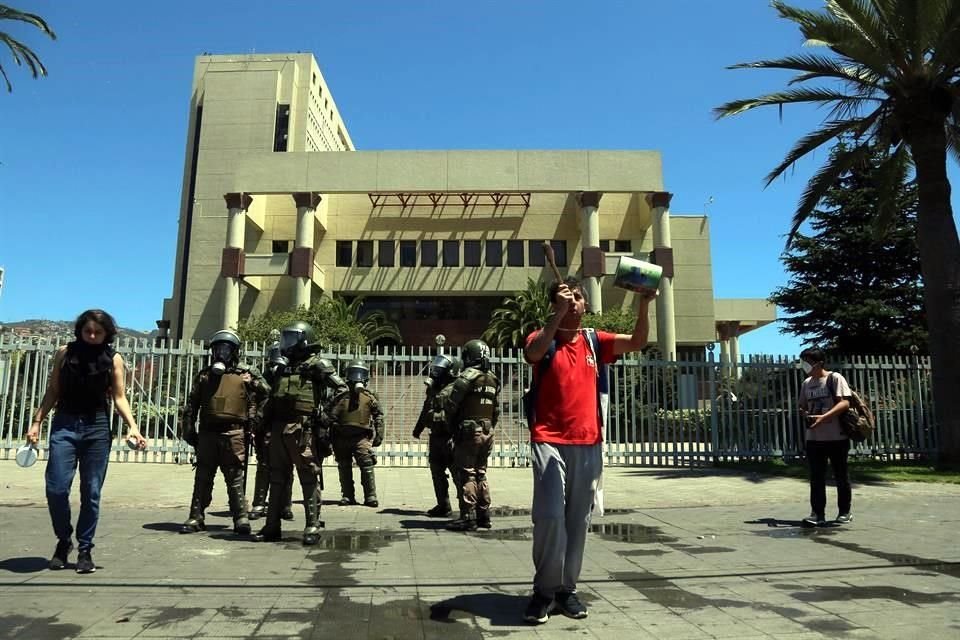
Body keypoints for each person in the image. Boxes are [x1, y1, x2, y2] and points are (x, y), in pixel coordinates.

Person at [522, 277, 654, 624]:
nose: (575, 302)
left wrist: (644, 303)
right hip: (549, 440)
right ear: (556, 305)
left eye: (579, 298)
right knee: (550, 516)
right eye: (568, 298)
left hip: (588, 442)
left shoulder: (596, 341)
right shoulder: (542, 337)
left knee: (577, 522)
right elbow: (532, 354)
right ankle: (544, 591)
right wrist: (557, 315)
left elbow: (639, 341)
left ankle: (566, 590)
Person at [26, 309, 147, 574]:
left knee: (91, 492)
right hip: (65, 424)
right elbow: (53, 390)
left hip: (97, 428)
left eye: (98, 332)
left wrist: (133, 427)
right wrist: (37, 422)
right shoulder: (64, 353)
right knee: (56, 488)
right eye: (87, 331)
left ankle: (85, 549)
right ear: (79, 331)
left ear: (107, 334)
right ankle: (63, 539)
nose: (92, 336)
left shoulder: (113, 359)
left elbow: (119, 397)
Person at [254, 322, 346, 545]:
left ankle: (312, 525)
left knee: (308, 477)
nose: (287, 343)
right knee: (277, 478)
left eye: (291, 338)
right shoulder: (281, 367)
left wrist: (326, 416)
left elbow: (342, 390)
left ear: (304, 340)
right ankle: (272, 526)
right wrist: (260, 420)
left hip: (302, 430)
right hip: (278, 429)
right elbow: (270, 395)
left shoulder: (317, 364)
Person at [179, 329, 270, 535]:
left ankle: (240, 518)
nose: (221, 353)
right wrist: (189, 430)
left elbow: (268, 394)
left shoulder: (246, 373)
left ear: (234, 352)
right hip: (208, 433)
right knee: (203, 476)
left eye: (226, 349)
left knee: (235, 477)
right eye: (217, 349)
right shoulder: (204, 375)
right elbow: (191, 406)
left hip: (235, 433)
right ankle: (196, 516)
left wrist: (255, 418)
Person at [440, 340, 501, 532]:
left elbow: (451, 405)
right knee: (481, 472)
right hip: (487, 431)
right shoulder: (493, 378)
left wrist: (452, 426)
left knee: (467, 473)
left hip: (468, 431)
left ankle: (468, 516)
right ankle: (484, 515)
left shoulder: (467, 377)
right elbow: (496, 410)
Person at [797, 347, 853, 527]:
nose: (804, 365)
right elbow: (802, 405)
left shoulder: (834, 378)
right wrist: (806, 414)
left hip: (836, 436)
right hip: (814, 438)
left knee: (840, 475)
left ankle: (844, 511)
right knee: (816, 477)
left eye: (807, 361)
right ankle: (817, 513)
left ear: (819, 362)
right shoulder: (806, 383)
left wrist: (825, 417)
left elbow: (844, 402)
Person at [249, 330, 294, 522]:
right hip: (266, 426)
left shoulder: (292, 375)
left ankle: (285, 505)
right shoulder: (262, 377)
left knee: (287, 467)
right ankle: (259, 503)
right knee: (264, 466)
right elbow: (254, 400)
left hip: (286, 425)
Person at [412, 353, 463, 517]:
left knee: (457, 473)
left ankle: (466, 506)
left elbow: (459, 413)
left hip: (451, 437)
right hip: (436, 437)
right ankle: (443, 505)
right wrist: (418, 428)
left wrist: (434, 417)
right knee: (437, 471)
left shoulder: (458, 388)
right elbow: (426, 408)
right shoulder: (434, 389)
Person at [330, 359, 385, 508]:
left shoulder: (370, 396)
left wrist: (379, 433)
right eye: (353, 373)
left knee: (366, 464)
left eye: (360, 374)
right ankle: (347, 495)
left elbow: (378, 414)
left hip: (361, 436)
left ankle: (370, 495)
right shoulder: (340, 396)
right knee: (344, 466)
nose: (356, 378)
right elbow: (330, 416)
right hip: (342, 436)